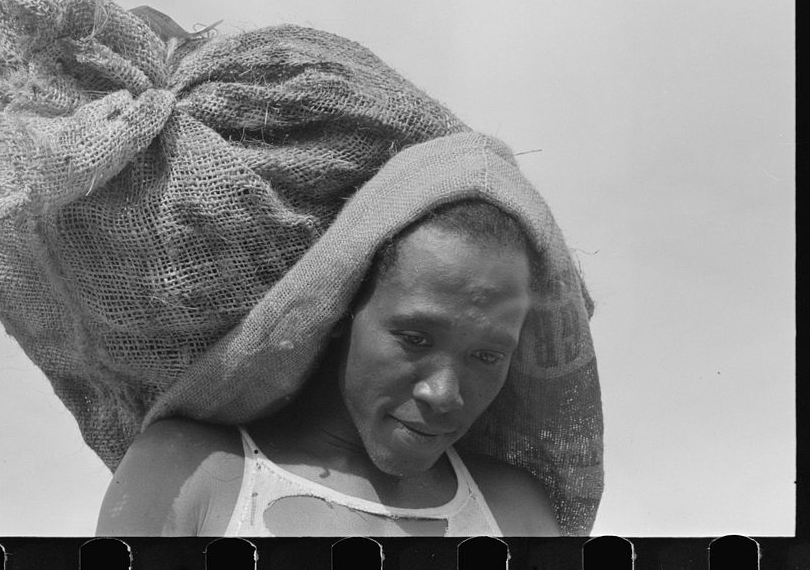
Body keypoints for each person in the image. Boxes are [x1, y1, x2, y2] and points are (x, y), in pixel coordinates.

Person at [96, 199, 560, 536]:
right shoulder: (195, 472)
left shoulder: (512, 511)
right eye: (415, 339)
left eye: (487, 356)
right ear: (342, 312)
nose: (444, 394)